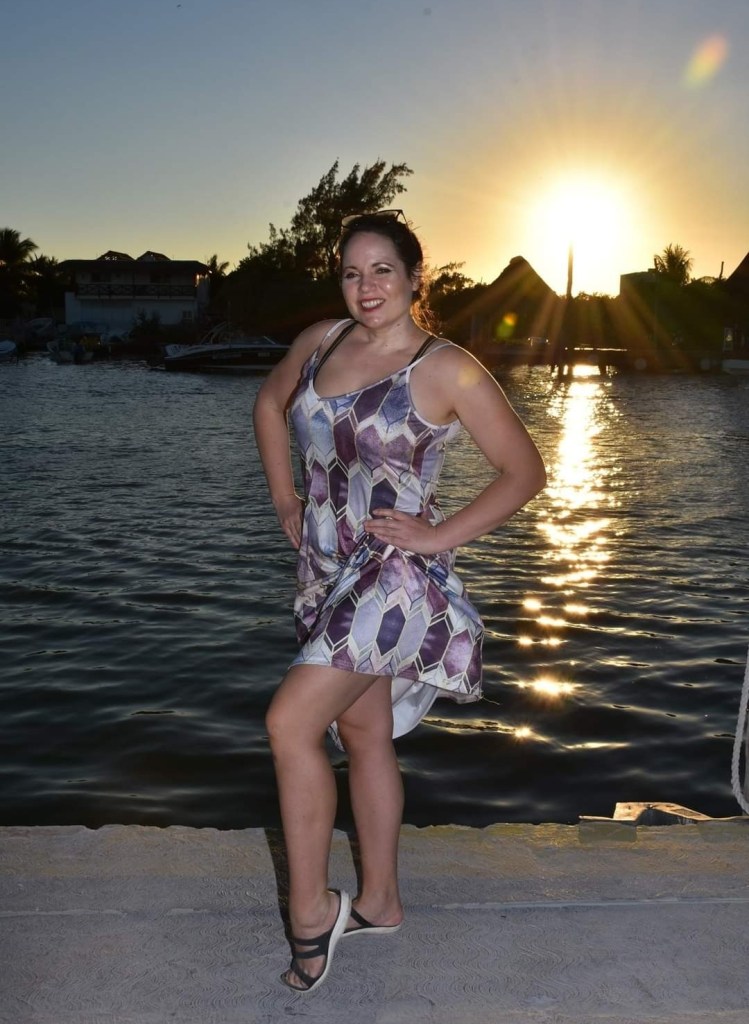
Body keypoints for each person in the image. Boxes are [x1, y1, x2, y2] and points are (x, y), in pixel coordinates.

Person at [252, 210, 546, 993]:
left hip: (392, 575)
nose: (366, 286)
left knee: (289, 724)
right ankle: (379, 902)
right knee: (363, 732)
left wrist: (438, 534)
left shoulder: (445, 367)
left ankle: (312, 912)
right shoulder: (320, 342)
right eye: (351, 272)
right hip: (326, 567)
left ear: (416, 277)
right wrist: (284, 497)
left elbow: (524, 472)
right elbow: (269, 405)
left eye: (382, 269)